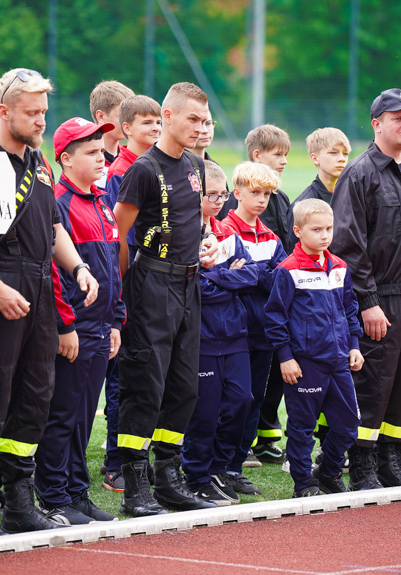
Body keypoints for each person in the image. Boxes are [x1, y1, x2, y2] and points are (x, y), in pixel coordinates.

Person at [0, 68, 99, 540]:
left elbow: (55, 227)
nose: (41, 121)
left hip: (39, 285)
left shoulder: (40, 162)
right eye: (32, 112)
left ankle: (19, 503)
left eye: (44, 111)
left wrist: (77, 267)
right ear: (4, 111)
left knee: (35, 398)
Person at [113, 81, 217, 517]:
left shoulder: (195, 165)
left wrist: (206, 245)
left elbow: (193, 222)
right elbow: (117, 235)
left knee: (183, 387)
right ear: (168, 118)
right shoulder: (143, 169)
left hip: (190, 286)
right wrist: (120, 296)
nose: (199, 127)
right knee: (145, 386)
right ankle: (135, 486)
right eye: (191, 118)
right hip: (151, 285)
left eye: (204, 119)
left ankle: (169, 479)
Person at [330, 88, 401, 491]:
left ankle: (393, 460)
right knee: (373, 383)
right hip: (381, 298)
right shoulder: (360, 174)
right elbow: (347, 245)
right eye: (398, 117)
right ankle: (362, 466)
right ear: (377, 124)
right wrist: (369, 303)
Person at [33, 117, 123, 526]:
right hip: (76, 328)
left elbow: (112, 270)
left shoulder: (102, 199)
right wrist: (65, 326)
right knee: (62, 414)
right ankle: (53, 494)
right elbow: (55, 273)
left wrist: (116, 321)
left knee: (85, 415)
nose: (101, 157)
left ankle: (77, 492)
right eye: (90, 152)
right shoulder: (62, 204)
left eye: (101, 149)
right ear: (65, 159)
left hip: (101, 327)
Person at [266, 199, 363, 497]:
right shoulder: (288, 270)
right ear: (297, 231)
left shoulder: (339, 267)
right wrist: (285, 357)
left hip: (338, 362)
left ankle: (328, 473)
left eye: (329, 229)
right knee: (302, 428)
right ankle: (303, 483)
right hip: (305, 364)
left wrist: (354, 345)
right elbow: (274, 317)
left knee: (349, 425)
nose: (324, 235)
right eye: (316, 229)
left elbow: (349, 309)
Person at [182, 161, 257, 506]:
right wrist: (227, 279)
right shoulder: (185, 234)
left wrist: (218, 279)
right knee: (206, 410)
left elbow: (252, 275)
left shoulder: (228, 234)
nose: (218, 200)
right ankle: (197, 475)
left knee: (242, 401)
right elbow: (195, 289)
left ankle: (221, 468)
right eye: (211, 194)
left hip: (235, 335)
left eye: (222, 193)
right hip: (203, 338)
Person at [100, 94, 161, 493]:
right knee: (123, 376)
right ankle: (115, 461)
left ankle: (139, 457)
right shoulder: (122, 173)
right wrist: (122, 288)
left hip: (156, 284)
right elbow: (116, 236)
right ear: (126, 129)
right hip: (129, 284)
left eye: (158, 123)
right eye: (146, 124)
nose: (155, 130)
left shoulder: (160, 166)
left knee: (147, 376)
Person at [218, 161, 286, 494]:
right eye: (255, 192)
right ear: (237, 192)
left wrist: (250, 272)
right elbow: (224, 278)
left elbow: (281, 281)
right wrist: (260, 274)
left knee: (253, 399)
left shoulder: (272, 238)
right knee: (232, 399)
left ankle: (234, 466)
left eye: (267, 194)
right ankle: (216, 466)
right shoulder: (223, 231)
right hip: (229, 332)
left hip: (263, 333)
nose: (262, 200)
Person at [285, 127, 351, 248]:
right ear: (315, 158)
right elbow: (293, 251)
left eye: (345, 154)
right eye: (333, 153)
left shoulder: (355, 195)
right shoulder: (303, 204)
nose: (342, 158)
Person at [90, 80, 135, 186]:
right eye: (122, 115)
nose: (129, 122)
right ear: (101, 117)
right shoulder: (89, 165)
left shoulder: (131, 159)